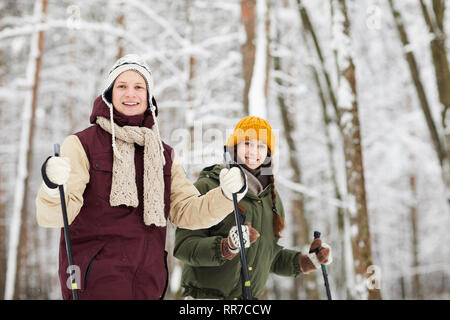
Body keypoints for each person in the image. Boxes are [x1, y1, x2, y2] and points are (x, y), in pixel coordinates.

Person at [35, 54, 247, 300]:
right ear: (109, 94)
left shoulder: (163, 153)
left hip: (148, 283)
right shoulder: (82, 144)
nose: (130, 94)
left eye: (139, 87)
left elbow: (187, 211)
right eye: (122, 86)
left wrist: (226, 195)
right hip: (94, 283)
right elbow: (55, 215)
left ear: (148, 96)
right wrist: (52, 187)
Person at [174, 116, 332, 300]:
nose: (254, 151)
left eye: (261, 146)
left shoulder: (270, 198)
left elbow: (268, 257)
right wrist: (227, 246)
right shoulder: (209, 186)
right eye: (247, 143)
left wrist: (307, 261)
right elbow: (184, 247)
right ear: (234, 147)